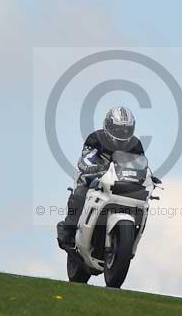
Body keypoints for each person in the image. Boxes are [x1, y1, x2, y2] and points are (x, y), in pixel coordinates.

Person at [57, 106, 145, 250]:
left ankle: (129, 239)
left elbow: (141, 164)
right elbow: (86, 157)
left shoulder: (135, 144)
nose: (123, 133)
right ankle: (69, 230)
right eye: (118, 129)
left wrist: (148, 177)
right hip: (95, 177)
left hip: (121, 181)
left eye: (126, 130)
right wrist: (91, 167)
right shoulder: (96, 138)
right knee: (80, 194)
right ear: (108, 126)